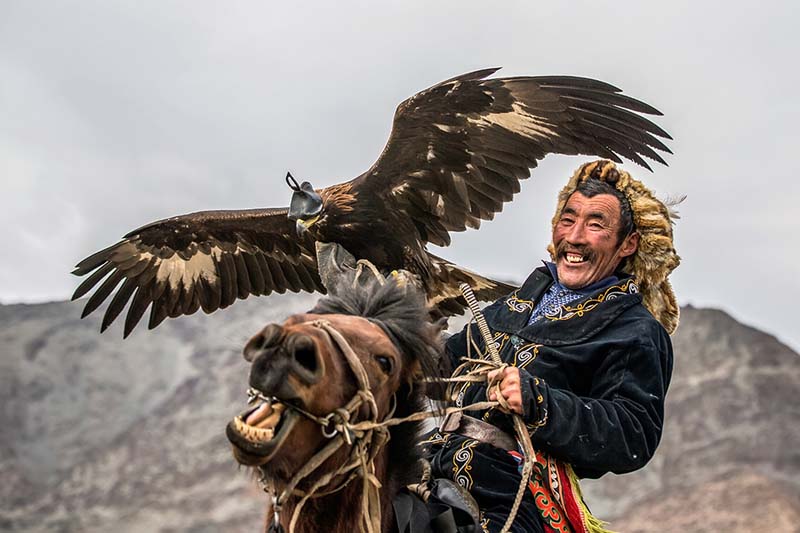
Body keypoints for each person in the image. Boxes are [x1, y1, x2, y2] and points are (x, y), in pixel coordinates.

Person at [423, 160, 680, 533]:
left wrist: (538, 400)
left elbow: (632, 434)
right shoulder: (516, 304)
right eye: (567, 219)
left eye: (595, 225)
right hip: (431, 464)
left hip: (514, 495)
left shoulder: (635, 331)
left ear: (628, 243)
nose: (574, 237)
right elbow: (441, 368)